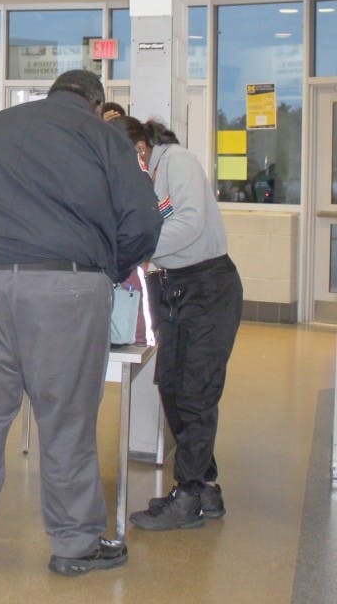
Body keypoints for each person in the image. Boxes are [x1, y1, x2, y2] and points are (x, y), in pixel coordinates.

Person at [0, 69, 162, 577]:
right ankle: (74, 544)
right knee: (66, 419)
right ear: (97, 104)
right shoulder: (104, 137)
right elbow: (144, 221)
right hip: (62, 287)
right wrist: (108, 268)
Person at [119, 118, 244, 531]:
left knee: (196, 389)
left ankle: (188, 493)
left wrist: (137, 248)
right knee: (171, 384)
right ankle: (205, 484)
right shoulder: (142, 178)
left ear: (141, 147)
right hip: (169, 287)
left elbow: (188, 222)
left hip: (208, 285)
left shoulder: (178, 161)